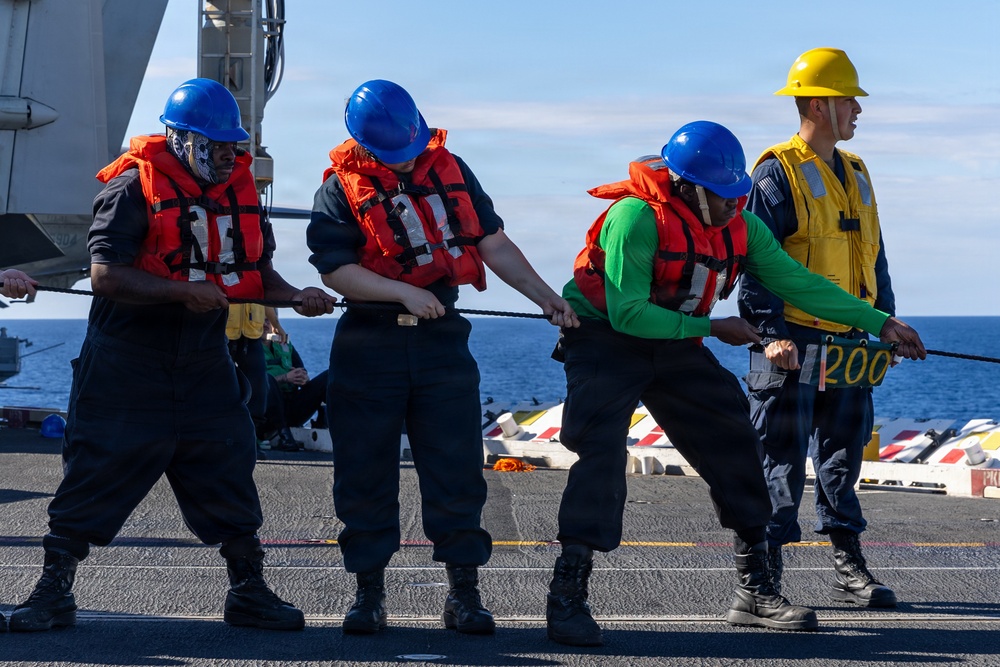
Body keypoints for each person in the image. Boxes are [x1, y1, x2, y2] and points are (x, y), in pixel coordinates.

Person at [545, 120, 926, 646]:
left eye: (737, 191)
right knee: (601, 454)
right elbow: (629, 313)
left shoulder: (742, 226)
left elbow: (798, 282)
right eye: (722, 194)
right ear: (686, 186)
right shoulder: (635, 217)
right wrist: (712, 327)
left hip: (675, 342)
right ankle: (568, 596)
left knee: (736, 438)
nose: (733, 202)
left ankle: (754, 590)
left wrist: (878, 322)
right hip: (606, 340)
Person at [6, 78, 336, 633]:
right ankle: (53, 590)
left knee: (226, 460)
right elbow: (106, 276)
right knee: (96, 468)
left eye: (232, 145)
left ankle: (248, 589)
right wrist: (183, 291)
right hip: (126, 358)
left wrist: (293, 296)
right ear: (181, 138)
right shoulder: (132, 189)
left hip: (203, 357)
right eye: (216, 144)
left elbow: (254, 274)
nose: (227, 155)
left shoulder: (239, 194)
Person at [307, 79, 578, 636]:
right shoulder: (339, 188)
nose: (405, 163)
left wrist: (547, 297)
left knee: (455, 470)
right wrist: (403, 292)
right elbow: (334, 268)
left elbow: (492, 243)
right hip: (368, 343)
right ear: (364, 145)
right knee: (364, 473)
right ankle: (368, 595)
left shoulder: (452, 170)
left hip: (441, 343)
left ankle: (463, 595)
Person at [737, 47, 916, 608]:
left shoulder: (858, 174)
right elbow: (754, 261)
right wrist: (770, 336)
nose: (858, 111)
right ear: (818, 103)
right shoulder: (774, 174)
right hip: (792, 342)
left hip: (849, 344)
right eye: (848, 101)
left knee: (844, 458)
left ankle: (848, 564)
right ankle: (765, 578)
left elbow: (874, 257)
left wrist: (885, 324)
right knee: (780, 461)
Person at [260, 316, 328, 451]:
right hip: (266, 414)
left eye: (268, 320)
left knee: (329, 376)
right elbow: (251, 382)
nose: (264, 323)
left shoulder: (284, 344)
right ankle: (284, 436)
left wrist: (303, 378)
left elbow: (301, 370)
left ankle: (325, 422)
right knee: (267, 379)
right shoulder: (247, 348)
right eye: (260, 319)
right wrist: (284, 378)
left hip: (292, 407)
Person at [227, 302, 271, 459]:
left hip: (252, 333)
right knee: (217, 388)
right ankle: (216, 440)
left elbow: (265, 292)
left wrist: (276, 323)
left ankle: (251, 441)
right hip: (221, 330)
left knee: (258, 389)